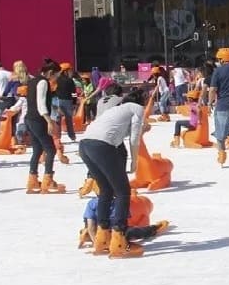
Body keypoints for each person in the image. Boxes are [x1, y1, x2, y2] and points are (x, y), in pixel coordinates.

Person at [78, 91, 148, 258]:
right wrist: (134, 161)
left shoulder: (115, 111)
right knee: (123, 191)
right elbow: (134, 138)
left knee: (106, 190)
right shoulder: (137, 108)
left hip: (84, 144)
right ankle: (119, 238)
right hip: (101, 146)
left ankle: (102, 238)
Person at [24, 61, 65, 194]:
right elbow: (41, 104)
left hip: (29, 118)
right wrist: (49, 121)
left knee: (37, 150)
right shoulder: (43, 82)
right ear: (51, 73)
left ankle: (33, 180)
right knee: (51, 149)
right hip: (38, 119)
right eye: (56, 76)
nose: (56, 79)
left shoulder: (31, 81)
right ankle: (47, 180)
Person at [78, 196, 170, 250]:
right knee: (88, 232)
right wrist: (97, 243)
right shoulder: (93, 203)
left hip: (115, 229)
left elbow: (123, 226)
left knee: (131, 232)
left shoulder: (120, 203)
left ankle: (153, 228)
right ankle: (90, 236)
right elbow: (90, 226)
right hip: (100, 229)